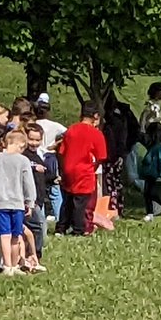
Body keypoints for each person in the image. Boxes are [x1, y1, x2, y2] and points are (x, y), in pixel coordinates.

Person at [0, 129, 37, 275]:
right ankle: (14, 264)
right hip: (17, 204)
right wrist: (30, 203)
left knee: (4, 236)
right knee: (15, 236)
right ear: (21, 144)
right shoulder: (23, 161)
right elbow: (28, 183)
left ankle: (7, 266)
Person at [56, 100, 108, 236]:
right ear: (96, 116)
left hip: (68, 169)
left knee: (67, 201)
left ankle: (61, 227)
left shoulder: (71, 130)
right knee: (80, 203)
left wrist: (63, 168)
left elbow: (61, 152)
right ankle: (78, 229)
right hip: (84, 171)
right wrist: (93, 167)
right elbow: (102, 156)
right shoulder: (96, 133)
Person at [23, 124, 55, 266]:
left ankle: (30, 253)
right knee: (39, 225)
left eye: (37, 140)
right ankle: (35, 254)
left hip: (38, 198)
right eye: (31, 139)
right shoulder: (24, 155)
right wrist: (34, 167)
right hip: (30, 199)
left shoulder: (38, 155)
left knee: (33, 227)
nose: (34, 143)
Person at [34, 95, 67, 219]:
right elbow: (67, 133)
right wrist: (56, 144)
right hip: (50, 159)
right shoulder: (55, 126)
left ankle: (40, 218)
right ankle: (59, 217)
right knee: (55, 190)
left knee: (39, 190)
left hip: (37, 158)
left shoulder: (33, 125)